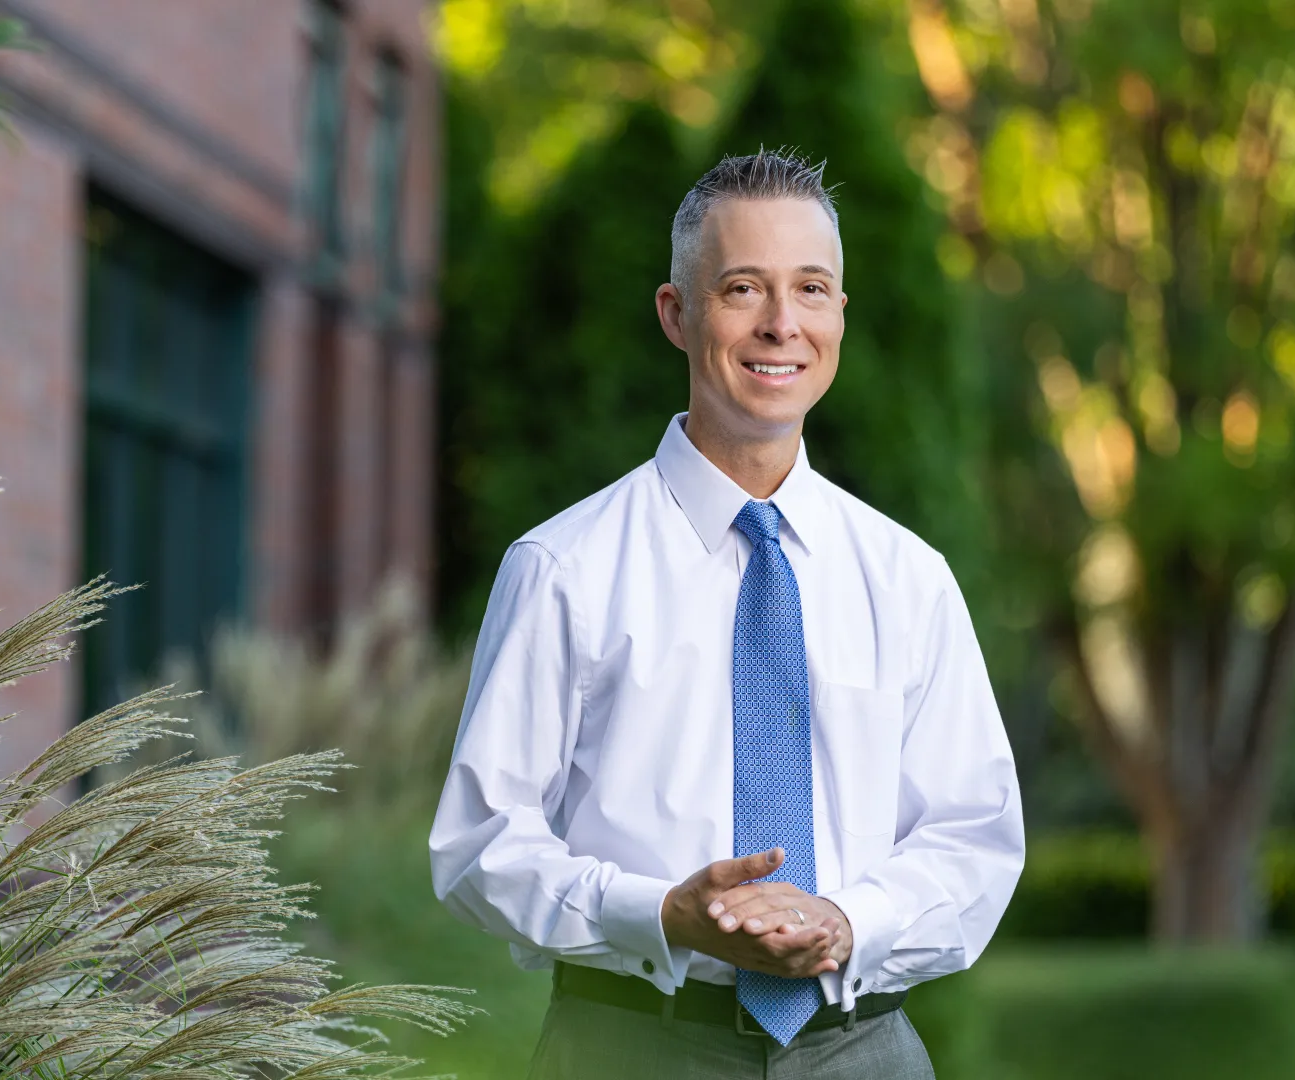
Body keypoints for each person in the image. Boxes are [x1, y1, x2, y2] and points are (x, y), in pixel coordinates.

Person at [429, 149, 1024, 1078]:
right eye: (744, 287)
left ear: (838, 317)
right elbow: (478, 845)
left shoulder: (909, 578)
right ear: (677, 313)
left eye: (812, 289)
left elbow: (974, 837)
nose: (782, 324)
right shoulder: (564, 568)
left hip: (863, 1053)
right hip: (628, 1050)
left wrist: (849, 921)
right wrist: (658, 914)